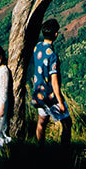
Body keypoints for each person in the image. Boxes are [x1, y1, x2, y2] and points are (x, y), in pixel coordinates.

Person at [31, 18, 71, 149]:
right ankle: (64, 152)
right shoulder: (52, 55)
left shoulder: (37, 47)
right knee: (67, 123)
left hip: (39, 93)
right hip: (50, 95)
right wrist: (60, 101)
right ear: (55, 35)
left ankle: (40, 149)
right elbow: (54, 81)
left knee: (42, 122)